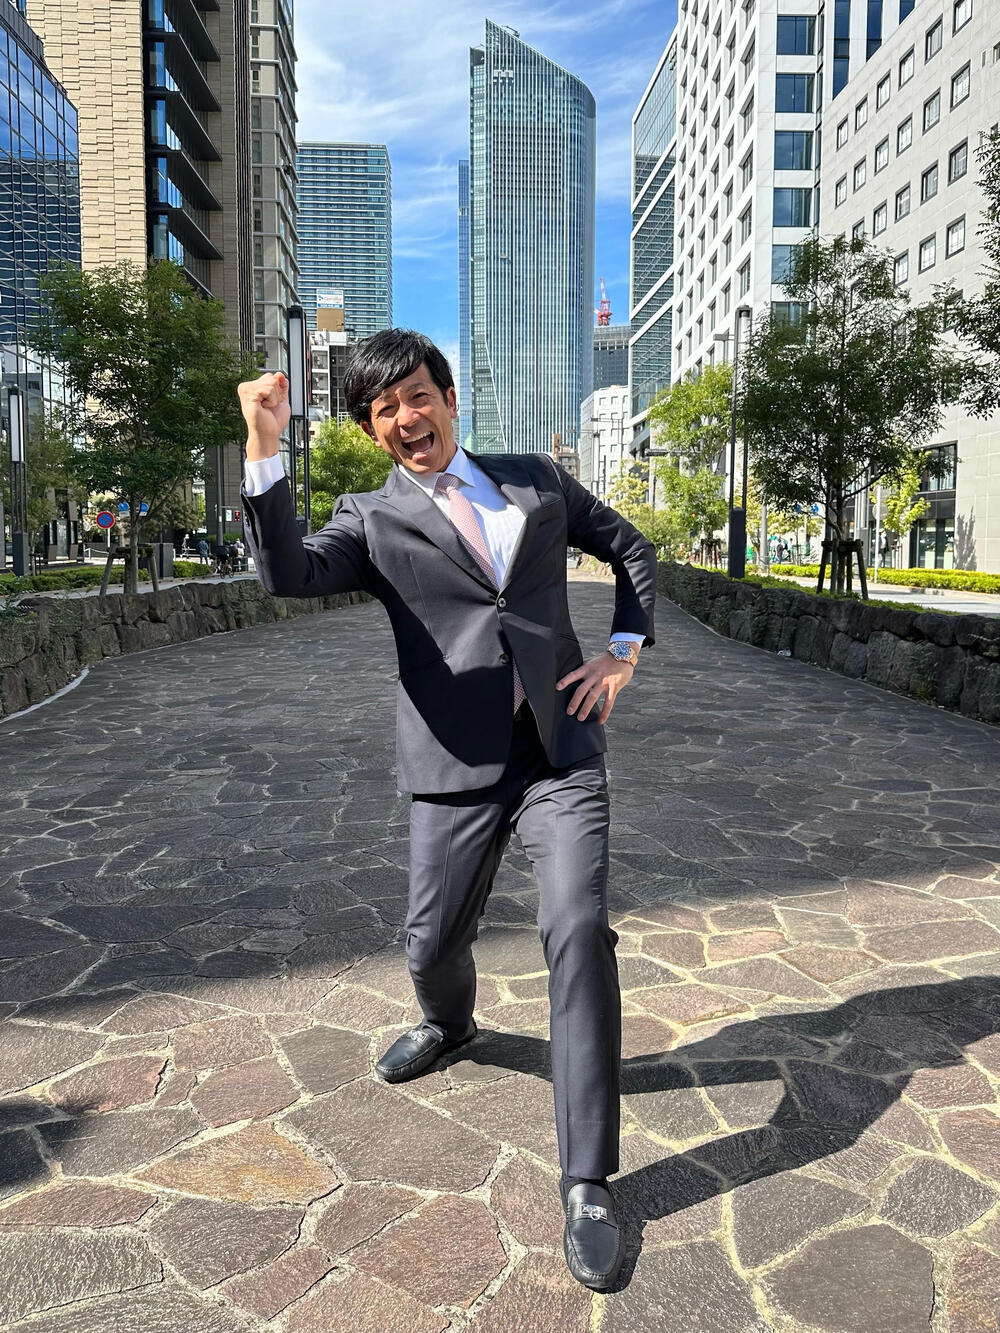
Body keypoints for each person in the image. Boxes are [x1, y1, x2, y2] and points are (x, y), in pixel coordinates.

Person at [237, 330, 655, 1292]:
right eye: (383, 409)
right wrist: (264, 444)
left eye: (416, 396)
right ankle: (450, 1023)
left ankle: (588, 1177)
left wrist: (623, 650)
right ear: (370, 430)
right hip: (452, 762)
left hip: (558, 753)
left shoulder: (538, 481)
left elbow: (628, 546)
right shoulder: (370, 518)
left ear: (449, 398)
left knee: (577, 927)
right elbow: (286, 574)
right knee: (430, 943)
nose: (405, 418)